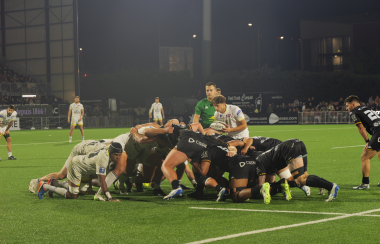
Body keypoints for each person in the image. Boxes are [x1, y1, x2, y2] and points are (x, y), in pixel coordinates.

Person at [37, 142, 124, 202]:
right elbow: (101, 180)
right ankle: (46, 187)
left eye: (119, 155)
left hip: (85, 170)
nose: (118, 157)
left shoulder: (109, 149)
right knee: (73, 196)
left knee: (82, 192)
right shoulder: (103, 159)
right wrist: (109, 197)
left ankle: (54, 182)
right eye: (116, 155)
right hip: (76, 166)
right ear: (111, 152)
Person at [29, 139, 113, 193]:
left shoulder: (115, 146)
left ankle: (55, 183)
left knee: (82, 191)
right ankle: (36, 181)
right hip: (80, 150)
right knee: (61, 175)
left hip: (90, 146)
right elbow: (89, 167)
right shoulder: (103, 154)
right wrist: (90, 188)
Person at [345, 95, 380, 190]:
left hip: (378, 132)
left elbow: (361, 128)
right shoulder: (366, 108)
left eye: (347, 106)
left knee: (365, 157)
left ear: (353, 104)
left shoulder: (354, 112)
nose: (347, 108)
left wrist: (367, 141)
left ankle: (365, 184)